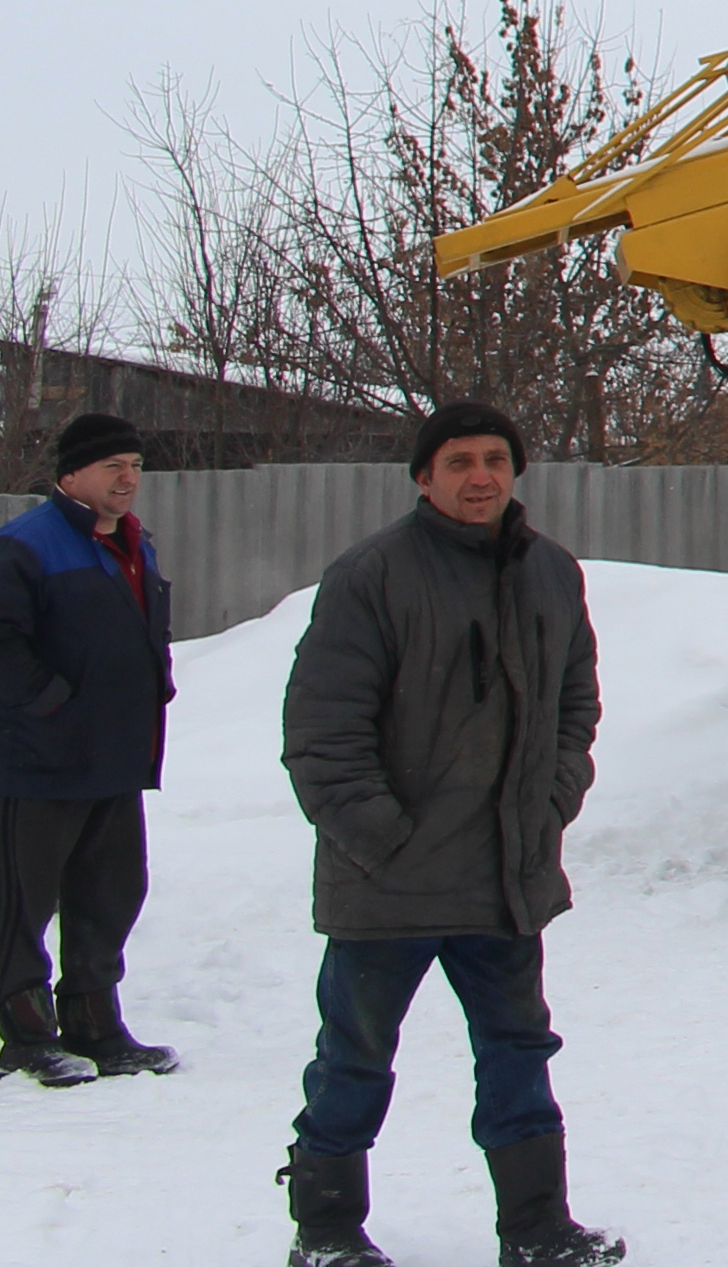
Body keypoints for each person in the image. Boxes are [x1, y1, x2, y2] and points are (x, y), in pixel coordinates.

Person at [276, 403, 621, 1267]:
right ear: (423, 478)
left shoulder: (550, 573)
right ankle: (325, 1232)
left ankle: (537, 1231)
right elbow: (322, 732)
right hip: (387, 882)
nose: (481, 476)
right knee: (353, 1059)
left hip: (505, 878)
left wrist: (551, 801)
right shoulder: (371, 576)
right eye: (460, 460)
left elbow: (575, 706)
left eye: (496, 458)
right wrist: (383, 840)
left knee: (518, 1053)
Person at [0, 409, 177, 1086]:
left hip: (113, 756)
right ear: (70, 475)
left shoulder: (136, 544)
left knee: (111, 892)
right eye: (114, 466)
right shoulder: (24, 546)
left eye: (136, 466)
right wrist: (53, 702)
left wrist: (153, 688)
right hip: (36, 759)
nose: (128, 478)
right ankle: (25, 1037)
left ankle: (94, 1024)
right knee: (27, 900)